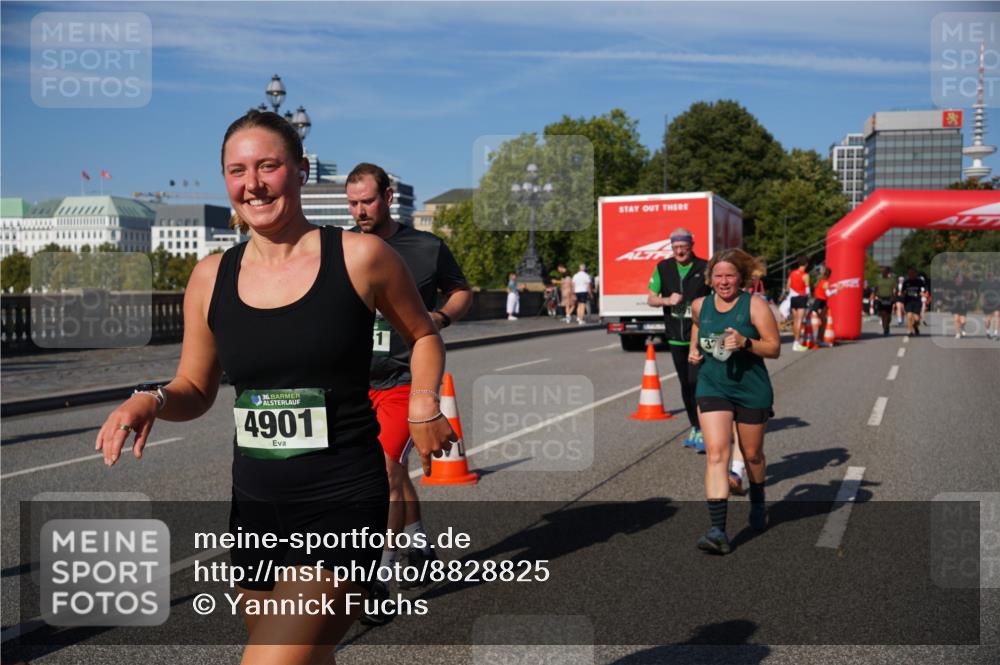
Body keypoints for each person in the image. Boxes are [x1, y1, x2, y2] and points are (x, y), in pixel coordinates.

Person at [95, 111, 455, 664]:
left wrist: (424, 405)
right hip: (257, 508)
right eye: (237, 170)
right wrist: (154, 398)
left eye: (269, 165)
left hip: (341, 502)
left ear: (301, 171)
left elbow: (424, 336)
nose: (253, 183)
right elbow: (195, 385)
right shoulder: (210, 276)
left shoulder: (361, 258)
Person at [347, 162, 472, 624]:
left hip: (406, 380)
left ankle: (377, 575)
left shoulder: (425, 246)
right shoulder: (346, 248)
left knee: (382, 469)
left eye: (368, 201)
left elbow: (461, 291)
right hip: (356, 383)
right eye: (353, 203)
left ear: (389, 197)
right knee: (394, 472)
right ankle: (417, 540)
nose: (360, 211)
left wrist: (439, 320)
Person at [688, 248, 780, 554]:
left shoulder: (754, 305)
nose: (724, 281)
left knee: (752, 455)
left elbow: (774, 348)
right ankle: (718, 531)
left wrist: (746, 342)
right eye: (718, 275)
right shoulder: (700, 305)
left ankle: (757, 496)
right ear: (710, 278)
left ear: (740, 277)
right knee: (717, 453)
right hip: (712, 384)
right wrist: (694, 349)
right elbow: (699, 327)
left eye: (729, 275)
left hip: (751, 388)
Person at [646, 227, 710, 450]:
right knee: (685, 384)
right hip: (675, 336)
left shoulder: (705, 267)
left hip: (700, 335)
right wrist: (667, 300)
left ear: (692, 246)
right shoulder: (663, 267)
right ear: (671, 248)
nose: (680, 251)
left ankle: (705, 428)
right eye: (676, 248)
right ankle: (695, 426)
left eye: (684, 247)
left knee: (698, 382)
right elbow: (651, 299)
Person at [787, 256, 811, 351]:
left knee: (795, 321)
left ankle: (795, 342)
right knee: (799, 321)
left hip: (793, 298)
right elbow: (808, 290)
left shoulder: (792, 273)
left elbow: (788, 286)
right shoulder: (805, 275)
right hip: (801, 298)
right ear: (806, 264)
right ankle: (796, 343)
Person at [900, 267, 927, 337]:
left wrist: (923, 293)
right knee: (909, 316)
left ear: (915, 274)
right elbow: (902, 292)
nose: (910, 274)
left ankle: (915, 326)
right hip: (908, 301)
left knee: (917, 319)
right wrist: (903, 295)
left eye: (912, 273)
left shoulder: (919, 281)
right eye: (909, 273)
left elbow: (924, 290)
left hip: (917, 302)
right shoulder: (906, 282)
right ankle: (909, 331)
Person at [811, 267, 832, 347]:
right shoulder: (825, 282)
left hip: (819, 301)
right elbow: (828, 294)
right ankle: (819, 339)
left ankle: (818, 339)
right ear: (829, 275)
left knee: (822, 321)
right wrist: (837, 290)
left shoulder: (819, 281)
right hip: (821, 302)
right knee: (823, 321)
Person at [874, 267, 897, 336]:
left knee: (888, 316)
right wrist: (875, 294)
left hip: (889, 299)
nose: (883, 273)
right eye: (882, 272)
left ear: (888, 273)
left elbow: (895, 289)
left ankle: (887, 325)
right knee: (884, 315)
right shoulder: (878, 279)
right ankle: (885, 329)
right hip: (881, 298)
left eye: (885, 272)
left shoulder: (891, 280)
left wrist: (894, 297)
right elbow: (876, 288)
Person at [981, 271, 1000, 340]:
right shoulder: (984, 284)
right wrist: (983, 302)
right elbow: (982, 294)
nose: (992, 277)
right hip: (988, 303)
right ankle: (987, 332)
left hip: (997, 302)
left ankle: (996, 333)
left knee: (997, 316)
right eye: (990, 276)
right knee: (988, 319)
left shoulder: (998, 283)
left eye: (993, 275)